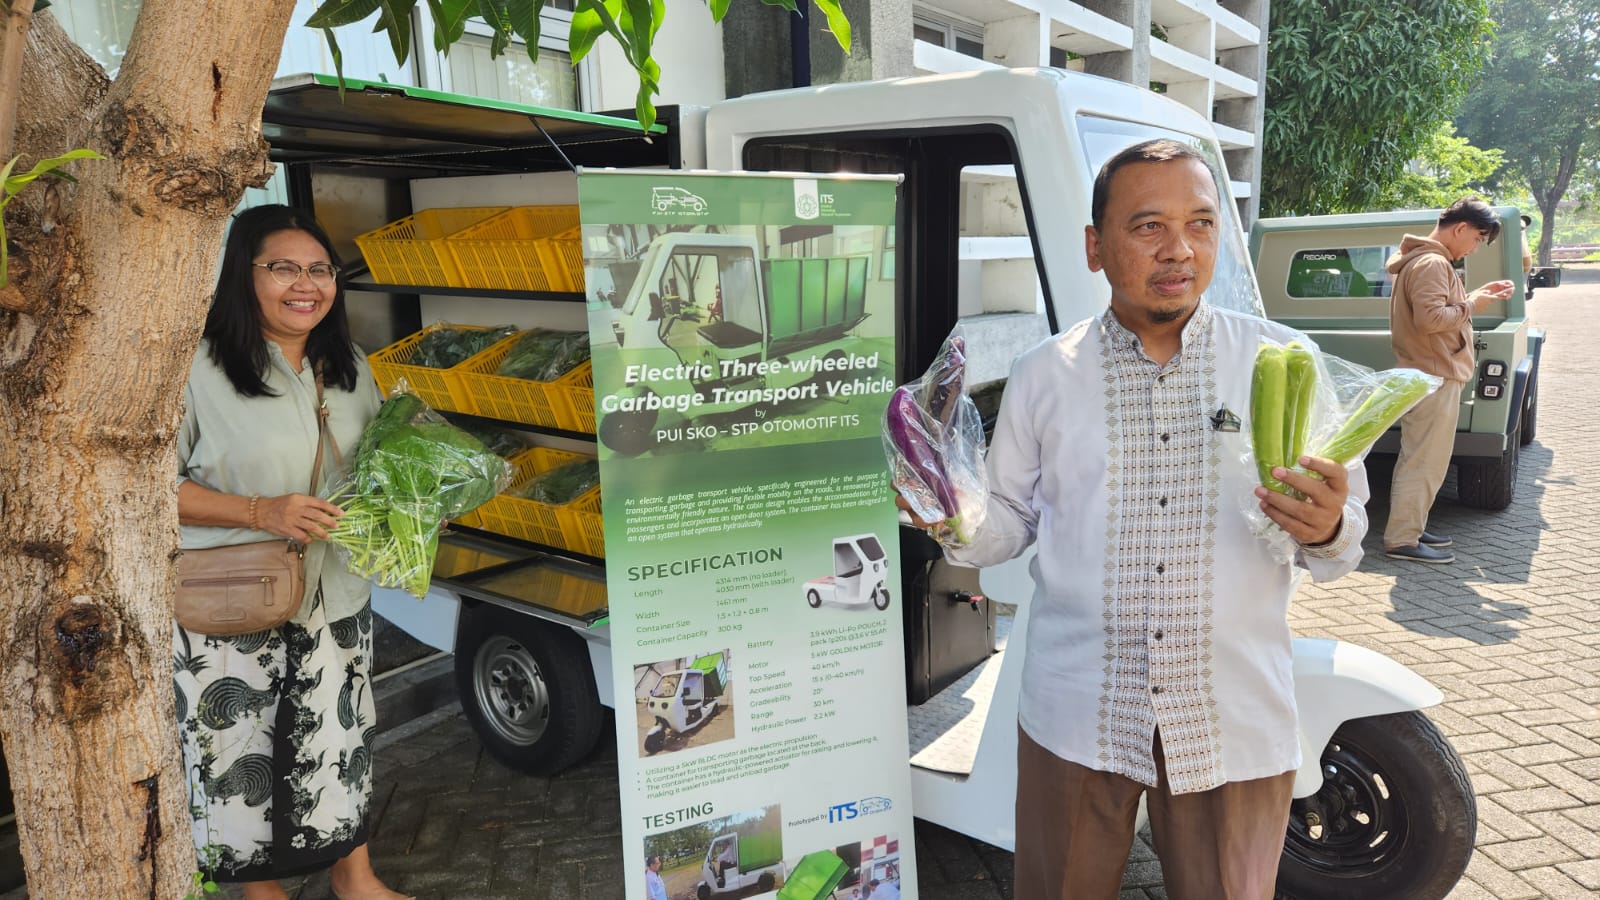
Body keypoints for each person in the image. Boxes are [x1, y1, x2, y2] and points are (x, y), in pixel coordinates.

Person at [900, 139, 1369, 899]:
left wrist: (1326, 528)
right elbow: (1007, 527)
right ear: (1095, 245)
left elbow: (1344, 547)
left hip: (1230, 716)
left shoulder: (1283, 362)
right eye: (1148, 225)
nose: (1180, 248)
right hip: (1077, 710)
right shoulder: (1045, 374)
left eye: (1203, 223)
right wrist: (949, 514)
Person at [174, 205, 409, 900]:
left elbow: (377, 462)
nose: (305, 284)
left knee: (343, 741)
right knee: (237, 750)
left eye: (319, 269)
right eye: (282, 268)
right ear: (242, 276)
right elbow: (144, 487)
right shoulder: (196, 369)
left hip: (334, 593)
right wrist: (260, 511)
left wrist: (418, 498)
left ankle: (355, 877)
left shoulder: (349, 364)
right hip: (232, 599)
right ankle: (260, 892)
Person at [1383, 198, 1515, 564]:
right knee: (1423, 461)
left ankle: (1412, 526)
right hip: (1434, 375)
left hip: (1430, 372)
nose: (1474, 247)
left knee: (1424, 458)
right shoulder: (1432, 263)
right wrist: (1473, 305)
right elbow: (1431, 319)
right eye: (1477, 238)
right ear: (1460, 228)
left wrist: (1473, 298)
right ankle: (1403, 538)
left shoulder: (1424, 261)